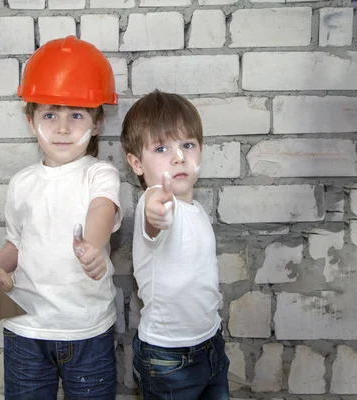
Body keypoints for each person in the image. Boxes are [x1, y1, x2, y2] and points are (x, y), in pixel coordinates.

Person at [0, 36, 122, 399]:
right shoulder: (21, 183)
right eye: (50, 115)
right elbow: (18, 243)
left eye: (76, 115)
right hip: (26, 331)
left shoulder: (99, 174)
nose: (62, 128)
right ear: (31, 121)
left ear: (96, 122)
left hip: (87, 331)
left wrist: (92, 245)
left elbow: (102, 209)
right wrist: (0, 267)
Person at [120, 90, 230, 400]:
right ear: (136, 163)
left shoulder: (195, 210)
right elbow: (154, 217)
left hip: (211, 344)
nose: (178, 156)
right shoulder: (153, 201)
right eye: (161, 148)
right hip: (168, 358)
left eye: (187, 145)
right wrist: (158, 211)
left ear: (200, 152)